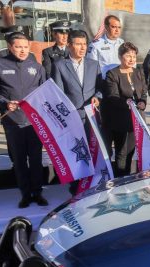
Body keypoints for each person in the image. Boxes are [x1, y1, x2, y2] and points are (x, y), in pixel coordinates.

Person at [0, 32, 47, 208]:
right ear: (10, 47)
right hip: (12, 122)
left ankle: (38, 193)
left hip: (34, 122)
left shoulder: (37, 67)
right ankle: (25, 194)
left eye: (26, 47)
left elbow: (45, 91)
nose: (23, 50)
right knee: (19, 161)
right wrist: (4, 103)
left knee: (36, 159)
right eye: (18, 47)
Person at [51, 29, 101, 194]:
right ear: (69, 45)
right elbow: (57, 94)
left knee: (92, 152)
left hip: (91, 117)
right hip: (72, 119)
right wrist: (67, 113)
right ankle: (76, 188)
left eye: (84, 44)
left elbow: (100, 88)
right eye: (78, 44)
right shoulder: (59, 65)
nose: (83, 47)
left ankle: (92, 183)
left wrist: (97, 97)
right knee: (76, 153)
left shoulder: (94, 64)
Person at [101, 42, 147, 176]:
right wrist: (128, 103)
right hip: (119, 120)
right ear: (120, 57)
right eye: (128, 56)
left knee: (131, 151)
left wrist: (143, 102)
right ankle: (120, 179)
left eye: (134, 56)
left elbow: (144, 91)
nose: (132, 59)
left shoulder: (138, 72)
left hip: (135, 120)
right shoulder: (112, 74)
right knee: (122, 152)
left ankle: (128, 177)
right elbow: (112, 96)